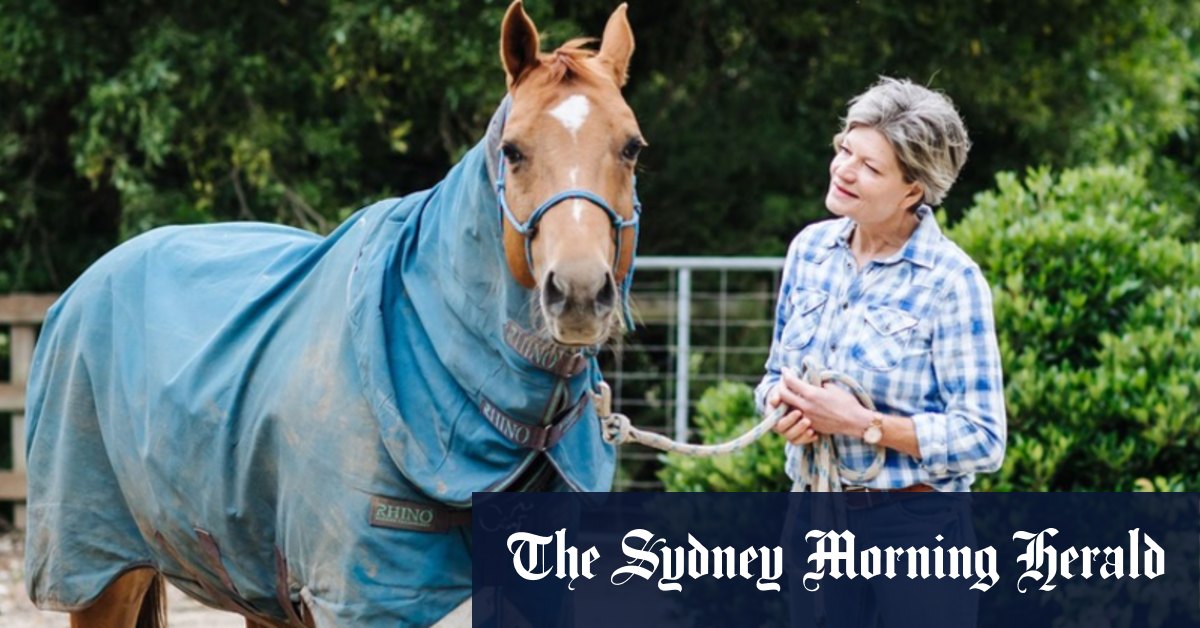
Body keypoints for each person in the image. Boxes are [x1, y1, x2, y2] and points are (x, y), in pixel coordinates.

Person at [756, 77, 1006, 627]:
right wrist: (782, 405)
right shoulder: (809, 252)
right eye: (845, 149)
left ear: (913, 190)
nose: (844, 170)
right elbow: (773, 375)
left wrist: (864, 425)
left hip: (917, 527)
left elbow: (984, 439)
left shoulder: (952, 281)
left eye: (870, 167)